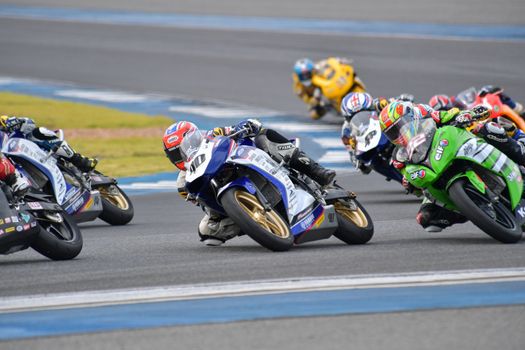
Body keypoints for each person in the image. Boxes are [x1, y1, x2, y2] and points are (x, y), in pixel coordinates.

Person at [163, 119, 336, 246]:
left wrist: (246, 126)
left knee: (263, 135)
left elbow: (245, 125)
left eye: (188, 145)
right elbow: (202, 204)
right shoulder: (183, 183)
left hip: (246, 161)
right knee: (206, 232)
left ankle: (316, 170)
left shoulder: (212, 135)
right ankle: (253, 221)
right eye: (178, 153)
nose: (187, 153)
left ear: (196, 136)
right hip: (228, 203)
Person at [378, 100, 525, 232]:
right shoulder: (399, 156)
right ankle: (476, 209)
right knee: (426, 217)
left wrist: (466, 115)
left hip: (455, 145)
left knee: (489, 129)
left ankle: (521, 146)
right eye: (392, 133)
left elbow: (451, 114)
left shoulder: (428, 115)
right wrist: (409, 183)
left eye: (398, 127)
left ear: (410, 117)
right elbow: (410, 178)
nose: (398, 134)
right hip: (436, 172)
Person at [0, 115, 97, 172]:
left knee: (39, 131)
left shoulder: (4, 121)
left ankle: (80, 160)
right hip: (15, 166)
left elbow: (30, 122)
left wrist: (18, 122)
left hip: (35, 153)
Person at [293, 57, 367, 119]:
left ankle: (360, 89)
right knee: (314, 114)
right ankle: (332, 108)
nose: (306, 77)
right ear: (298, 76)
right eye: (303, 75)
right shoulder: (299, 88)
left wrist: (341, 61)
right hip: (321, 98)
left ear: (312, 70)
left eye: (308, 74)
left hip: (335, 85)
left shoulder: (319, 67)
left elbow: (332, 61)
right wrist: (315, 100)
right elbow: (308, 100)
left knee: (351, 73)